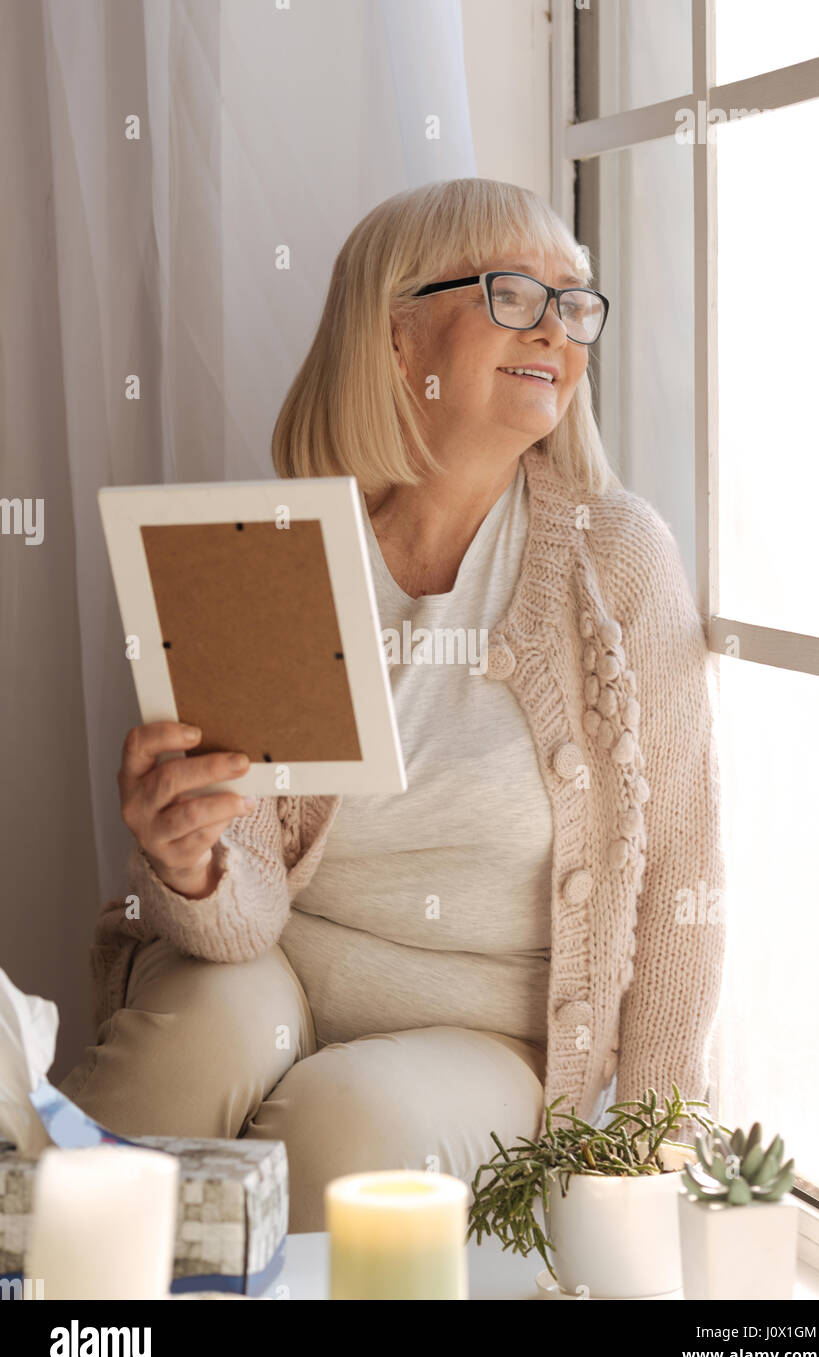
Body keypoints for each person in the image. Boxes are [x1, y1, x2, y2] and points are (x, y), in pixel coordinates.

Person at [59, 178, 726, 1233]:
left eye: (576, 301)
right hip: (277, 972)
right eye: (514, 294)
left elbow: (683, 879)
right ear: (395, 332)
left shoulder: (616, 558)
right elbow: (242, 923)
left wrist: (646, 1168)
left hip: (496, 1043)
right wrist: (193, 864)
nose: (556, 328)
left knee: (344, 1124)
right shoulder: (268, 557)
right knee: (189, 1041)